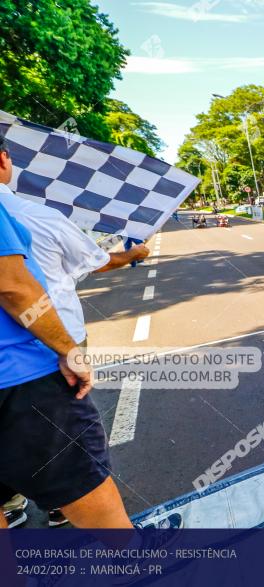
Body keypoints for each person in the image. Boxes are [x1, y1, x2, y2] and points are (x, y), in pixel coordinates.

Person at [0, 166, 149, 528]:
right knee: (79, 473)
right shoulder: (40, 215)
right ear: (4, 161)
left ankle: (15, 501)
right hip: (28, 363)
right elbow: (13, 287)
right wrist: (135, 254)